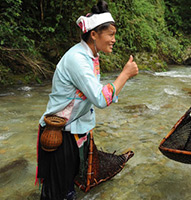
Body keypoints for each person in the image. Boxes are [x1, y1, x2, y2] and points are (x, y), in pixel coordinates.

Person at [35, 1, 138, 199]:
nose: (114, 39)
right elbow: (100, 98)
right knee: (56, 193)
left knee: (68, 186)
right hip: (60, 133)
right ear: (94, 34)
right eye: (111, 34)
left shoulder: (90, 56)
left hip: (74, 131)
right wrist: (124, 75)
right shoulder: (77, 59)